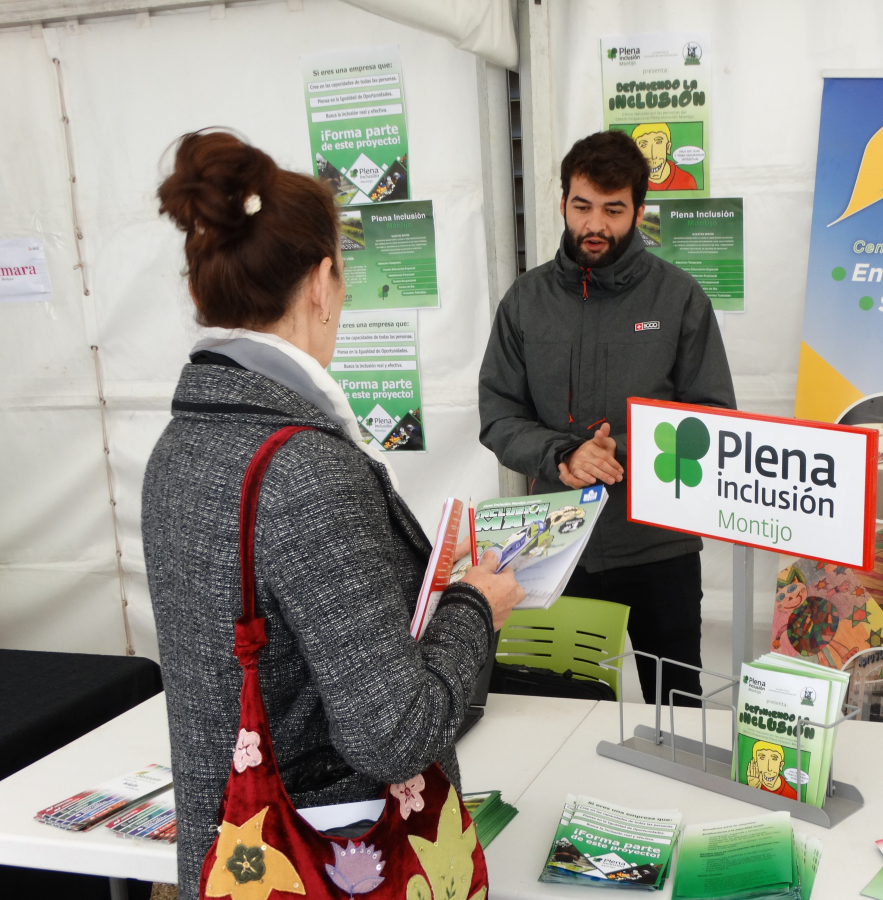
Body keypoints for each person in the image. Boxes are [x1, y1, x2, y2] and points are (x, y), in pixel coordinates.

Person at [143, 131, 524, 900]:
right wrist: (473, 609)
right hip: (336, 860)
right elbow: (394, 734)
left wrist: (413, 591)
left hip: (236, 858)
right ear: (321, 283)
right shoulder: (308, 469)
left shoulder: (179, 445)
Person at [478, 130, 735, 705]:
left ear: (640, 212)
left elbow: (713, 416)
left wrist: (617, 449)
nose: (595, 224)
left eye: (613, 210)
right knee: (556, 704)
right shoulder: (525, 300)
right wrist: (562, 454)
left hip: (658, 546)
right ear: (563, 203)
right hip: (555, 542)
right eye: (582, 206)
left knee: (677, 703)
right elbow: (498, 414)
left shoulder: (679, 298)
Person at [632, 122, 699, 192]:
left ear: (668, 147)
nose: (653, 156)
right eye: (643, 145)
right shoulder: (631, 183)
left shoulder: (686, 181)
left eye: (658, 142)